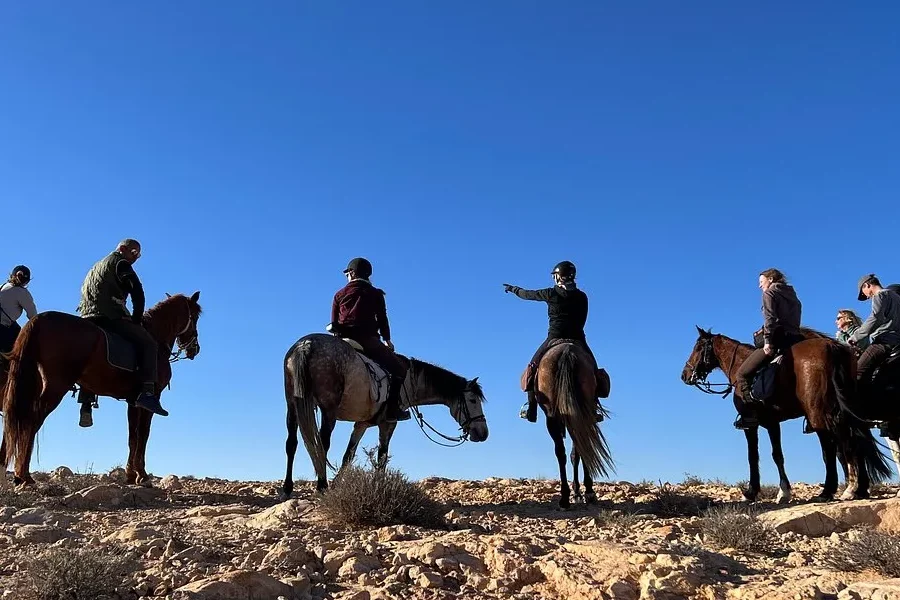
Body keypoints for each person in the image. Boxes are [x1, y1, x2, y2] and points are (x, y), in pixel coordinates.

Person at [76, 239, 167, 421]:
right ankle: (147, 393)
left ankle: (86, 401)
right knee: (149, 343)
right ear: (123, 249)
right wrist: (136, 318)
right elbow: (137, 292)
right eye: (134, 253)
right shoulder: (121, 263)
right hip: (108, 315)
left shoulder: (97, 266)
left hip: (86, 316)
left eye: (138, 255)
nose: (136, 258)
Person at [503, 260, 603, 423]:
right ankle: (594, 407)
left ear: (560, 277)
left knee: (533, 368)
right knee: (594, 371)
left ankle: (531, 409)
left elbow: (528, 294)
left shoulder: (551, 293)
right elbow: (583, 318)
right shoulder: (582, 297)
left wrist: (513, 289)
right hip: (578, 338)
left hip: (554, 338)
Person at [328, 257, 410, 423]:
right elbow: (382, 319)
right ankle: (392, 411)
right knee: (399, 370)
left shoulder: (339, 294)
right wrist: (387, 340)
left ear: (351, 273)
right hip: (367, 339)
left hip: (342, 338)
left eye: (347, 273)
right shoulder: (375, 294)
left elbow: (334, 321)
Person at [735, 268, 803, 430]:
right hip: (794, 338)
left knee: (741, 374)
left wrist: (767, 342)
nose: (760, 286)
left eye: (761, 282)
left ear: (771, 279)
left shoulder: (769, 294)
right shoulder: (791, 294)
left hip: (777, 339)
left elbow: (770, 319)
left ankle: (750, 416)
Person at [848, 274, 900, 396]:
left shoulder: (880, 295)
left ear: (867, 285)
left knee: (857, 372)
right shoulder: (896, 296)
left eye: (863, 293)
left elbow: (875, 318)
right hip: (897, 342)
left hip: (884, 342)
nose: (866, 297)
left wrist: (855, 337)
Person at [0, 265, 37, 354]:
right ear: (27, 281)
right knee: (24, 349)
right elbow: (33, 316)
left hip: (6, 326)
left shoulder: (2, 286)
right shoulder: (21, 292)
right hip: (3, 330)